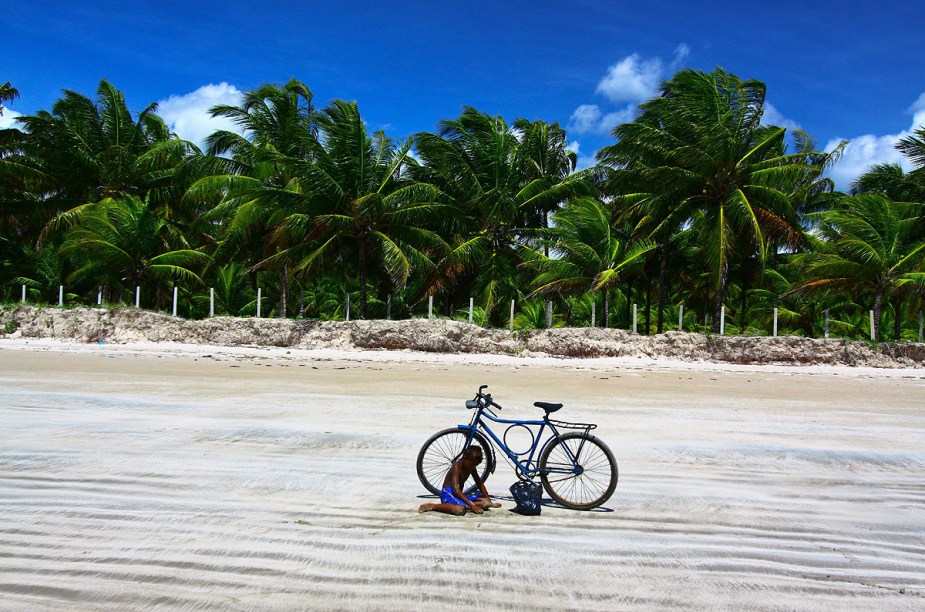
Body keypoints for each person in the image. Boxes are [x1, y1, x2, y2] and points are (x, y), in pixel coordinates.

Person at [419, 446, 501, 515]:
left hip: (458, 496)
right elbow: (456, 491)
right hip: (449, 494)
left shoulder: (471, 466)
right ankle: (433, 506)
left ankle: (468, 505)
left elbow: (479, 483)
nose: (472, 467)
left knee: (486, 502)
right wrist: (472, 505)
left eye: (475, 465)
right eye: (472, 464)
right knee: (459, 510)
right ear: (465, 458)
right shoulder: (456, 467)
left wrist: (490, 502)